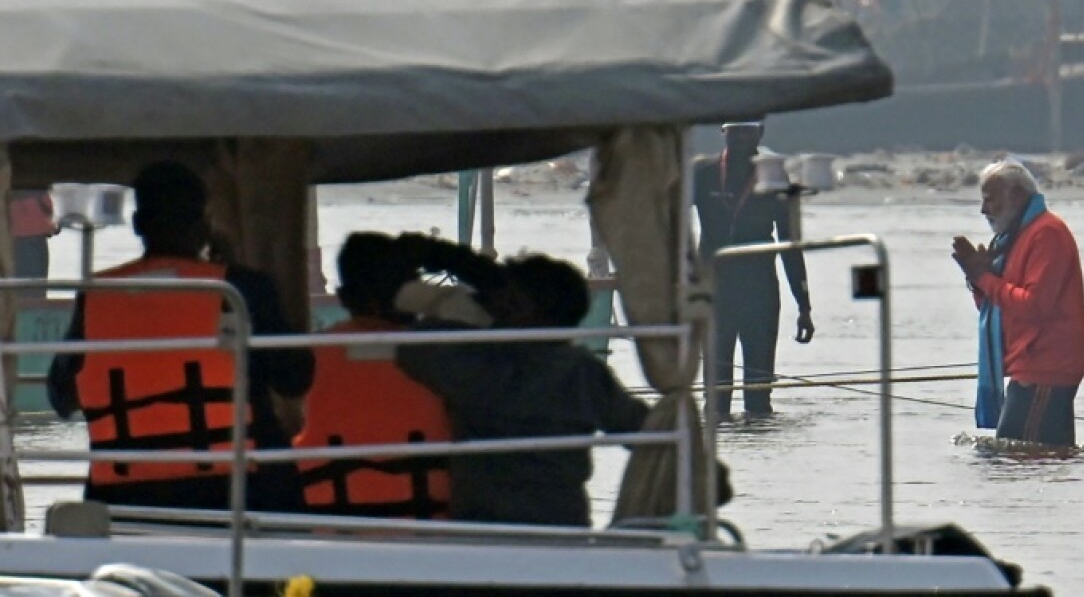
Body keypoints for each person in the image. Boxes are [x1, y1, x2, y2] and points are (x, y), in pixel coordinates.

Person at [46, 160, 314, 511]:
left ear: (138, 225)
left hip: (126, 498)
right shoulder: (241, 288)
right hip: (238, 491)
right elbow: (295, 380)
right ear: (204, 226)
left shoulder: (95, 297)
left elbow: (62, 399)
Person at [396, 250, 650, 527]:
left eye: (509, 300)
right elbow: (640, 428)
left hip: (482, 525)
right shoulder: (582, 372)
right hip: (563, 523)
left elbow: (414, 347)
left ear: (523, 307)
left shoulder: (479, 364)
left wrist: (472, 313)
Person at [294, 232, 452, 519]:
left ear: (344, 296)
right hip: (430, 521)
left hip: (331, 520)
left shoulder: (309, 355)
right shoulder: (443, 353)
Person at [951, 159, 1084, 448]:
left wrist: (985, 279)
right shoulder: (1014, 238)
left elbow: (1034, 306)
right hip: (1029, 362)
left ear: (1016, 195)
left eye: (991, 199)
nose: (984, 210)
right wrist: (978, 280)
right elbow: (999, 308)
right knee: (1047, 455)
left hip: (1046, 362)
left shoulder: (1047, 233)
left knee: (1015, 454)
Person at [692, 121, 813, 419]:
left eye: (747, 131)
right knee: (716, 397)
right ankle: (717, 443)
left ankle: (758, 441)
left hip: (759, 292)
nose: (741, 138)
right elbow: (673, 226)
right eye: (734, 131)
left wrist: (804, 305)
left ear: (760, 134)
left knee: (759, 399)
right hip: (714, 291)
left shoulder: (775, 177)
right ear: (723, 132)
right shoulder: (703, 172)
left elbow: (790, 244)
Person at [9, 190, 57, 298]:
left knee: (17, 288)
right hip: (35, 239)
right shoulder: (36, 188)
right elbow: (47, 206)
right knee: (36, 288)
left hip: (13, 239)